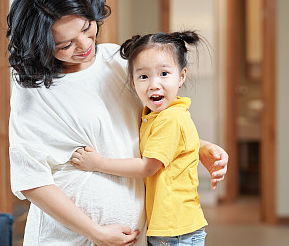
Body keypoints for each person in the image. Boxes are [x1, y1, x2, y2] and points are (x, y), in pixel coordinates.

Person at [6, 1, 228, 246]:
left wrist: (198, 146)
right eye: (65, 44)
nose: (84, 45)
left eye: (86, 27)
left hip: (135, 238)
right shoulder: (32, 89)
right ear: (40, 45)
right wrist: (95, 232)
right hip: (67, 239)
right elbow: (31, 180)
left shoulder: (118, 60)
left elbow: (148, 125)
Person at [71, 31, 210, 246]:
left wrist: (97, 163)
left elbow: (147, 167)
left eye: (164, 73)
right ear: (133, 82)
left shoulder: (170, 119)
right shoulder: (152, 116)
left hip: (177, 231)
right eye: (143, 76)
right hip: (169, 228)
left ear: (182, 76)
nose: (154, 84)